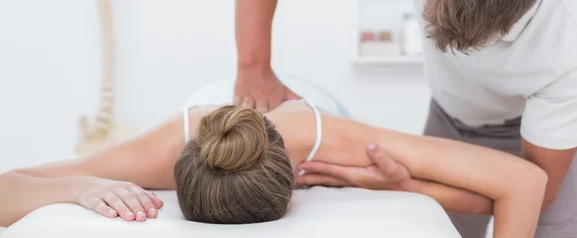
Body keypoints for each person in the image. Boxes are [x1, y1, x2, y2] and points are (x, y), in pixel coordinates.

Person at [232, 0, 577, 237]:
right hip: (450, 118)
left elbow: (536, 191)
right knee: (430, 227)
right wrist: (254, 67)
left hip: (534, 137)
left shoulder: (576, 47)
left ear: (518, 16)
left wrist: (407, 186)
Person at [0, 80, 547, 238]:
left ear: (293, 188)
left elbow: (522, 183)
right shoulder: (157, 155)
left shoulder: (330, 140)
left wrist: (391, 183)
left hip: (309, 102)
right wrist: (75, 185)